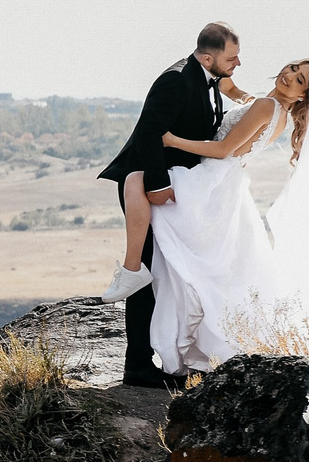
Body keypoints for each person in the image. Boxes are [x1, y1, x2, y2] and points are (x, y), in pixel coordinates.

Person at [145, 57, 309, 375]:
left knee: (146, 194)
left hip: (211, 182)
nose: (290, 76)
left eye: (301, 80)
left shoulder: (266, 106)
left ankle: (131, 272)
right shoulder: (275, 111)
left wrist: (170, 140)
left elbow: (224, 149)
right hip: (228, 187)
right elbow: (234, 91)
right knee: (217, 270)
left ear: (303, 96)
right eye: (294, 68)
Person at [96, 23, 249, 386]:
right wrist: (160, 185)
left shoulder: (209, 78)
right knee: (145, 272)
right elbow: (150, 133)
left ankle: (166, 353)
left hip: (178, 188)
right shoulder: (177, 80)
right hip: (148, 186)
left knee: (167, 272)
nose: (238, 63)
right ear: (208, 56)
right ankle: (137, 367)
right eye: (232, 57)